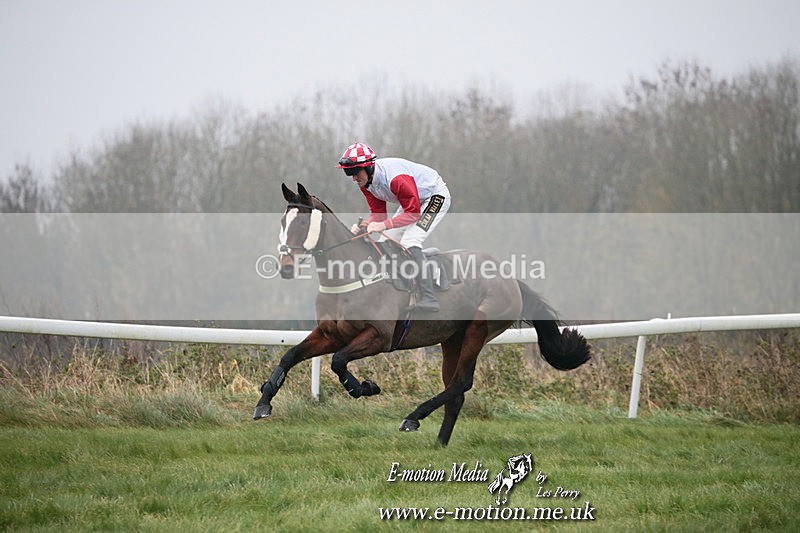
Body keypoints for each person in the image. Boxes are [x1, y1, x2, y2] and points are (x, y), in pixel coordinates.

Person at [336, 142, 451, 312]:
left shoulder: (396, 179)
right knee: (386, 242)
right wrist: (365, 226)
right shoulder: (366, 184)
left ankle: (429, 297)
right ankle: (399, 289)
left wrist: (382, 225)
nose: (353, 178)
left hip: (434, 196)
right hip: (413, 202)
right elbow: (379, 215)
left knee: (411, 240)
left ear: (368, 168)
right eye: (349, 173)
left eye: (355, 172)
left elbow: (413, 214)